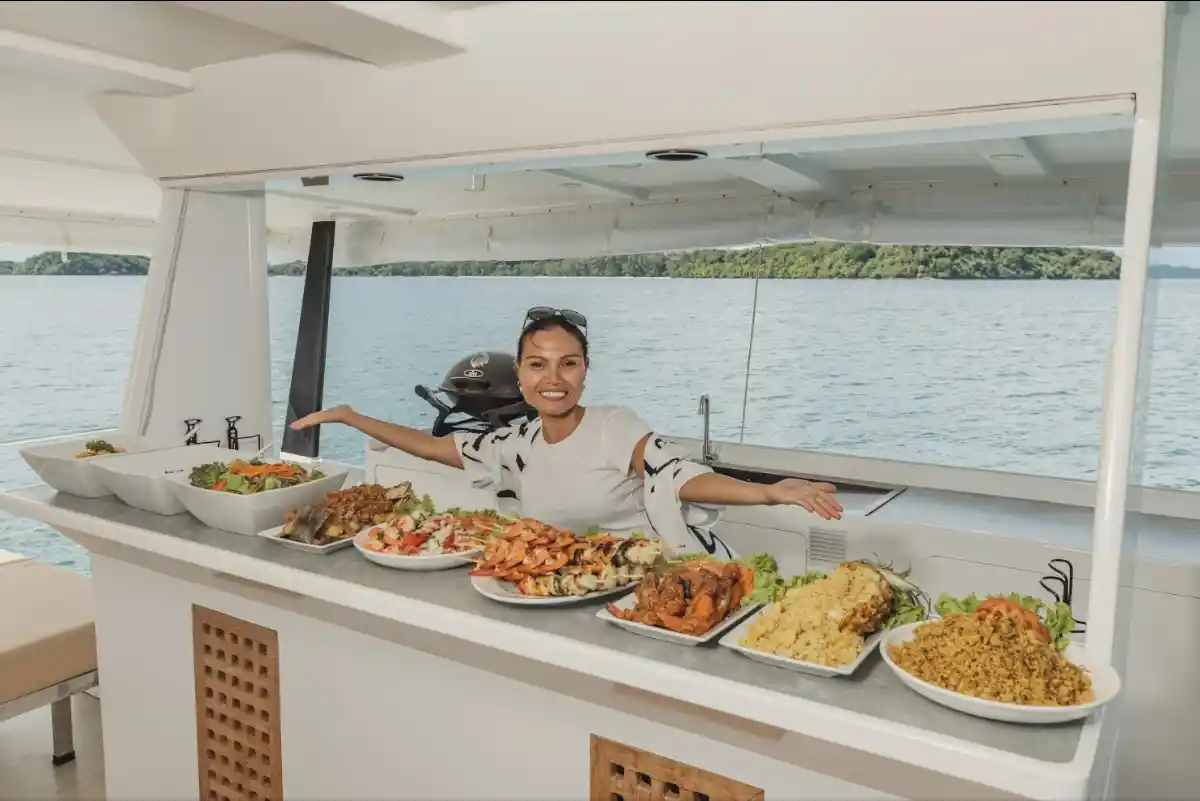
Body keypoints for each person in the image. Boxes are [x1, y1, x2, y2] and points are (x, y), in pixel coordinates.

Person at [290, 306, 842, 557]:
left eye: (568, 364)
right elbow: (437, 449)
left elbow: (678, 475)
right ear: (520, 374)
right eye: (538, 364)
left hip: (665, 575)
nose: (553, 379)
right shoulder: (515, 444)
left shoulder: (613, 425)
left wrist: (769, 492)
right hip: (582, 585)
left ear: (584, 372)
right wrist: (352, 417)